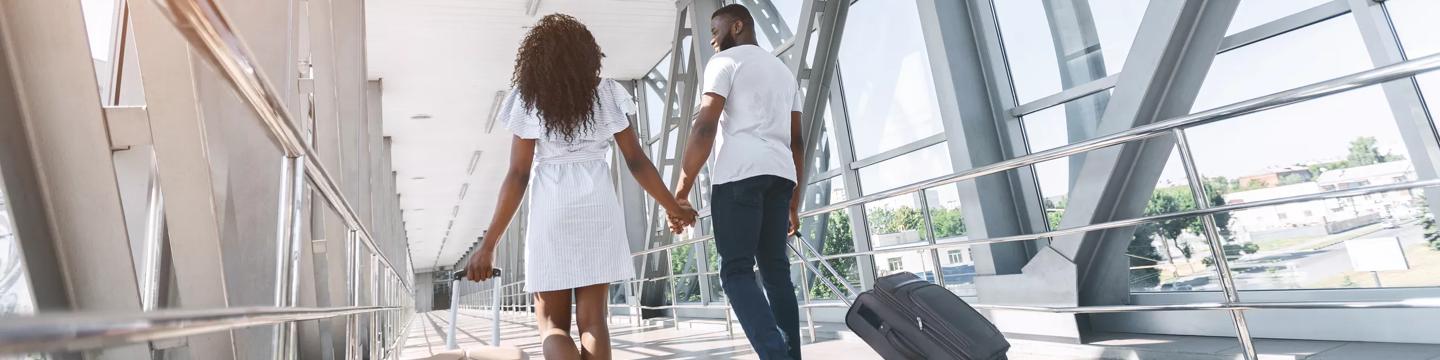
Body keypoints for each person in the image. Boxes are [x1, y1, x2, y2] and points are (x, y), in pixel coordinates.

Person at [465, 14, 697, 360]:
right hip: (597, 207)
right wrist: (671, 205)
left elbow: (518, 175)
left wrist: (489, 245)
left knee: (552, 324)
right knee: (593, 323)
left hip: (551, 209)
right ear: (587, 55)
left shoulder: (529, 100)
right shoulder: (606, 95)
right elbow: (636, 161)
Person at [670, 4, 805, 360]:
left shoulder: (725, 63)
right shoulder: (783, 71)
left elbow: (704, 125)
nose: (712, 40)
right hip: (780, 177)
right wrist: (794, 201)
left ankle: (775, 354)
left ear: (738, 26)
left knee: (735, 271)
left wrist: (682, 191)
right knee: (776, 272)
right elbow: (797, 142)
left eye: (716, 31)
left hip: (740, 176)